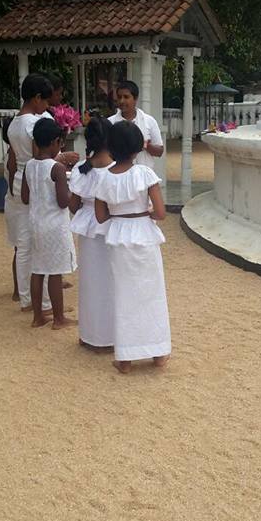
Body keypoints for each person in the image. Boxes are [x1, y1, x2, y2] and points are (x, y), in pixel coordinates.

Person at [95, 120, 171, 373]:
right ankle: (158, 352)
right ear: (138, 148)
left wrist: (120, 213)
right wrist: (145, 212)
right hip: (144, 233)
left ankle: (125, 359)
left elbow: (100, 216)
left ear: (111, 147)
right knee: (151, 292)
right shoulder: (145, 174)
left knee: (123, 295)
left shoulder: (104, 178)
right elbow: (160, 213)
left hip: (118, 234)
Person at [21, 118, 77, 330]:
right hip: (54, 225)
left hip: (35, 223)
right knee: (55, 272)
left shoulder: (29, 166)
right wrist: (74, 193)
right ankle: (58, 318)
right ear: (55, 142)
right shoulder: (57, 168)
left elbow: (25, 197)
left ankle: (38, 317)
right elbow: (63, 201)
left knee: (37, 270)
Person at [7, 74, 54, 311]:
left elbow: (12, 160)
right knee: (38, 244)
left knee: (24, 244)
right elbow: (40, 157)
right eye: (45, 101)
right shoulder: (33, 124)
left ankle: (26, 298)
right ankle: (43, 302)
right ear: (36, 98)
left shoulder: (14, 123)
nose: (46, 106)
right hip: (34, 181)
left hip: (19, 181)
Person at [69, 117, 115, 350]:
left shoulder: (81, 169)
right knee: (111, 282)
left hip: (87, 229)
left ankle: (89, 335)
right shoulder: (116, 170)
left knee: (89, 282)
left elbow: (73, 205)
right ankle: (110, 336)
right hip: (110, 226)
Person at [108, 80, 164, 169]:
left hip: (144, 174)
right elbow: (105, 152)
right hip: (119, 174)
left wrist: (145, 145)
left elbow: (160, 152)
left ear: (135, 98)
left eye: (126, 97)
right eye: (119, 97)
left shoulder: (149, 121)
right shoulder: (110, 123)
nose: (122, 101)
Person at [2, 116, 19, 301]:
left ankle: (19, 289)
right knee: (20, 249)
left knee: (19, 248)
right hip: (15, 204)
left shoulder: (11, 153)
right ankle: (17, 290)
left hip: (12, 203)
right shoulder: (13, 156)